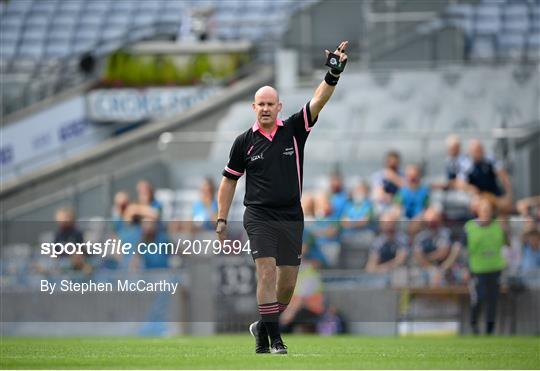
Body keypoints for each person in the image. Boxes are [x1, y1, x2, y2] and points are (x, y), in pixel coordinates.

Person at [216, 41, 349, 354]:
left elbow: (318, 100)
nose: (265, 108)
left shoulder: (294, 129)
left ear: (278, 107)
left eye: (270, 104)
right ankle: (275, 340)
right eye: (259, 104)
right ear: (253, 108)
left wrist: (334, 73)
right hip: (258, 216)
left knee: (287, 286)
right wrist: (221, 218)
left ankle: (262, 327)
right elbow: (228, 181)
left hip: (291, 215)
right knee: (266, 271)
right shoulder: (243, 142)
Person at [463, 198, 507, 335]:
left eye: (489, 210)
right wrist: (465, 268)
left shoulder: (498, 226)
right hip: (477, 269)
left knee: (492, 301)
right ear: (478, 211)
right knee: (479, 298)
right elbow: (464, 250)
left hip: (495, 268)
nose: (486, 212)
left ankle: (489, 331)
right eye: (484, 210)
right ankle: (474, 324)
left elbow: (507, 246)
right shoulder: (469, 227)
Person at [457, 139, 513, 214]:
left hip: (494, 195)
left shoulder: (490, 159)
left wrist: (508, 195)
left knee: (505, 206)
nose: (478, 153)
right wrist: (471, 189)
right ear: (470, 152)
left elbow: (503, 176)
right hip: (477, 197)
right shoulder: (466, 164)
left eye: (480, 150)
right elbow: (460, 183)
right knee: (483, 206)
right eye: (476, 151)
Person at [413, 208, 461, 286]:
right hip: (426, 268)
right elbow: (417, 255)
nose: (432, 222)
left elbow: (443, 252)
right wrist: (430, 268)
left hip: (446, 267)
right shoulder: (421, 236)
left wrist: (428, 258)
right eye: (429, 220)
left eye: (434, 219)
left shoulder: (446, 232)